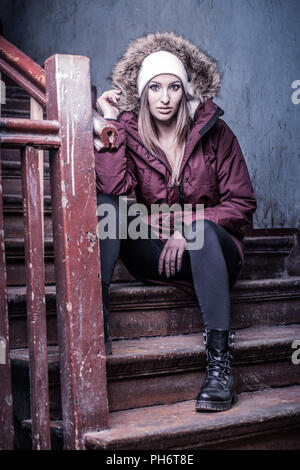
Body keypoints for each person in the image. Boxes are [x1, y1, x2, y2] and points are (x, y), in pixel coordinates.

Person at [94, 32, 257, 412]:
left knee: (200, 232)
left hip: (212, 251)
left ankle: (219, 367)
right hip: (156, 249)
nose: (164, 98)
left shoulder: (216, 134)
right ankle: (95, 317)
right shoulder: (130, 134)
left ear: (185, 90)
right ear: (143, 93)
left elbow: (243, 202)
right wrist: (110, 124)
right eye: (154, 88)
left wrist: (192, 228)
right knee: (108, 207)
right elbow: (116, 187)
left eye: (173, 87)